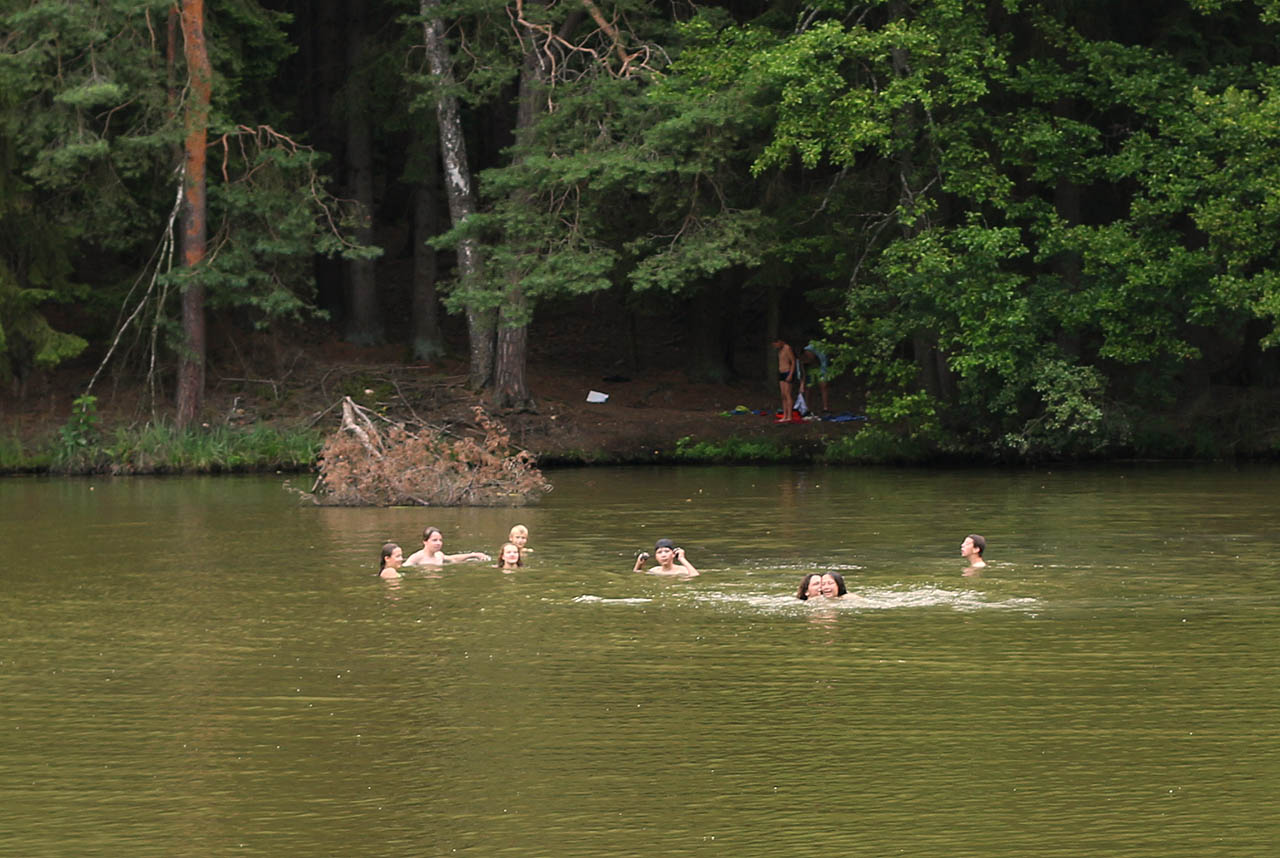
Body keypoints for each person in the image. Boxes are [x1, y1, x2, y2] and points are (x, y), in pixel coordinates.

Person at [404, 526, 491, 566]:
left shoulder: (439, 555)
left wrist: (474, 555)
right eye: (434, 540)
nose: (438, 543)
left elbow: (453, 559)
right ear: (425, 542)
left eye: (440, 540)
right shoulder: (416, 557)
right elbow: (404, 568)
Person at [632, 538, 700, 576]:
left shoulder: (683, 570)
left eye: (667, 551)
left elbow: (695, 575)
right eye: (659, 552)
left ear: (673, 554)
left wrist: (682, 558)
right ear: (656, 556)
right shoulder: (654, 571)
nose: (663, 555)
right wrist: (639, 564)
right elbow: (637, 574)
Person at [773, 339, 801, 423]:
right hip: (781, 373)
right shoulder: (780, 350)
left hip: (787, 372)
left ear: (779, 342)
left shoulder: (787, 348)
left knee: (787, 394)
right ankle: (784, 415)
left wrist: (791, 374)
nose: (775, 347)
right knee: (783, 395)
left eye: (776, 345)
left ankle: (789, 416)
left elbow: (793, 361)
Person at [800, 341, 831, 413]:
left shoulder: (820, 352)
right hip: (810, 370)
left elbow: (825, 361)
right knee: (808, 388)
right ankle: (807, 407)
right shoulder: (805, 355)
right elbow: (803, 369)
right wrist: (802, 382)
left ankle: (825, 407)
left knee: (823, 386)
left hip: (821, 368)